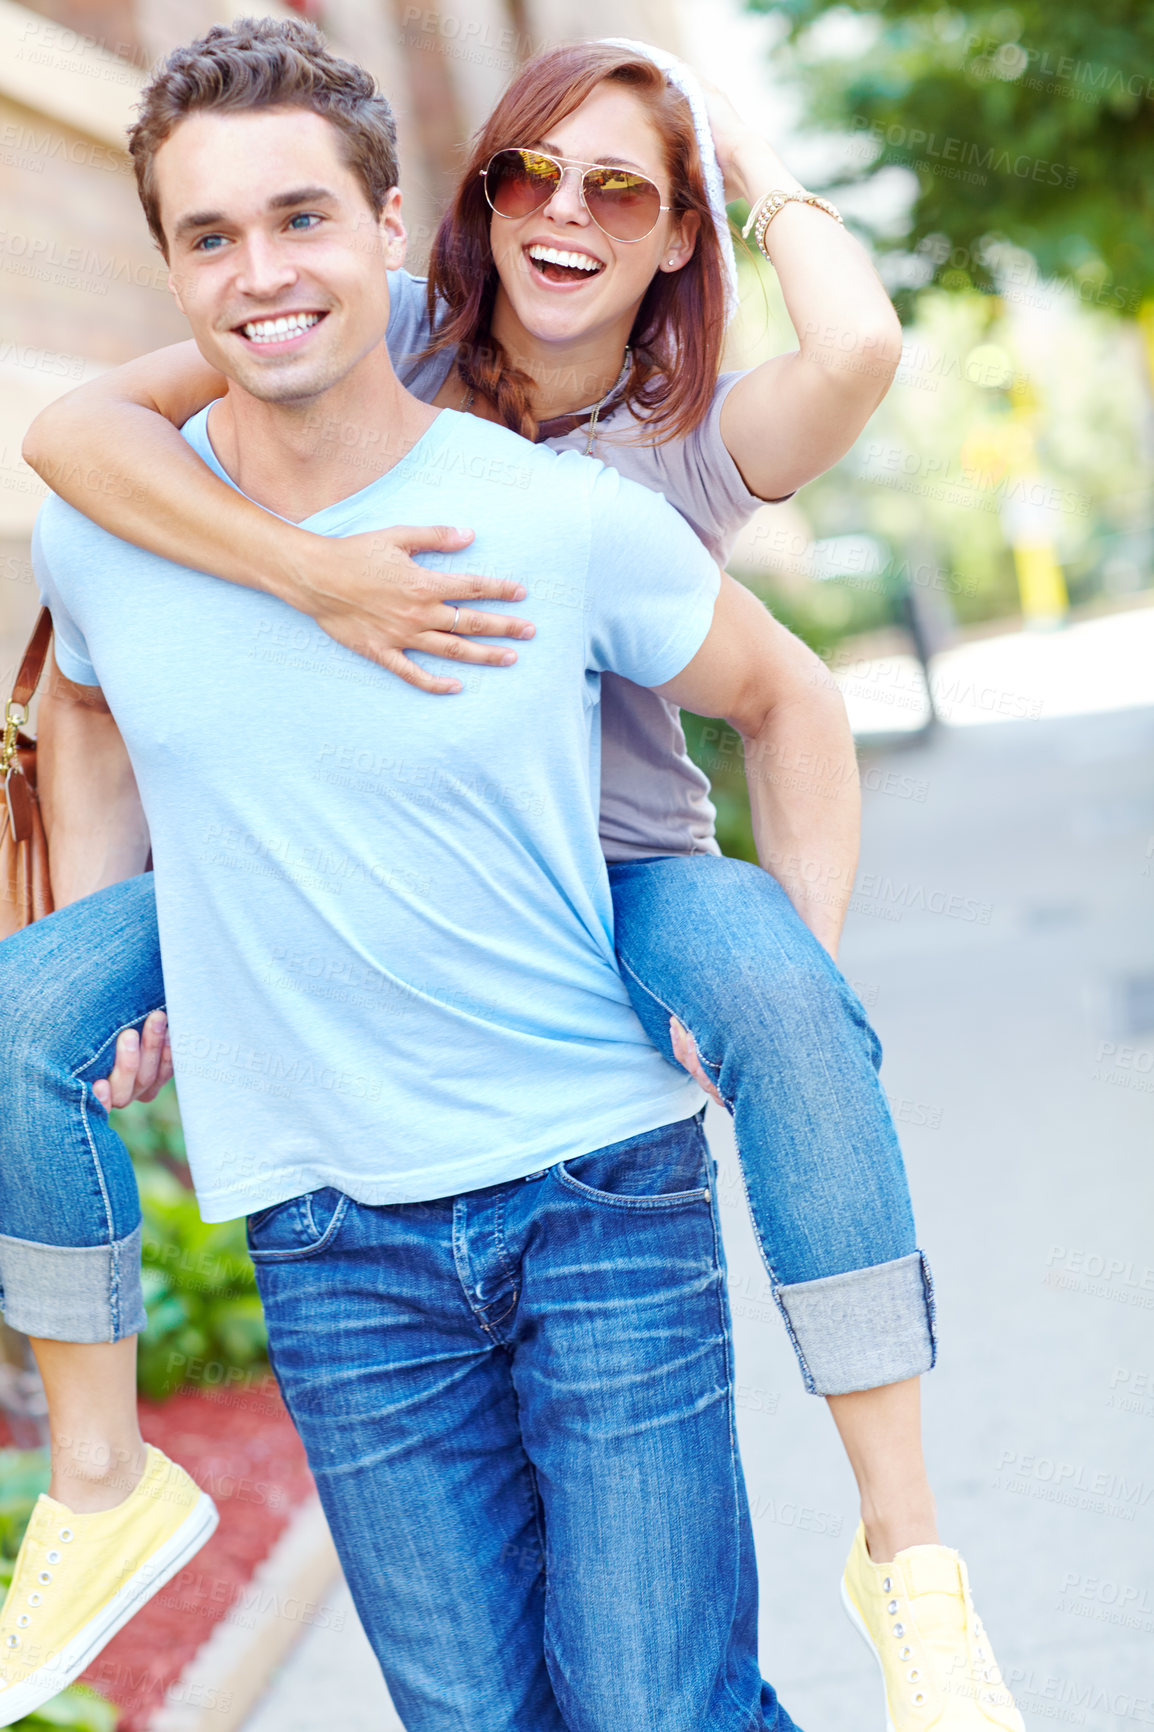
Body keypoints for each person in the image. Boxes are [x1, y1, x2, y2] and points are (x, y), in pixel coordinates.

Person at [3, 20, 1024, 1732]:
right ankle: (101, 1488)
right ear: (467, 213)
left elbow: (834, 460)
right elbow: (90, 609)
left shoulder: (629, 476)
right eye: (532, 174)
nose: (568, 213)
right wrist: (311, 582)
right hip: (332, 1210)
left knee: (655, 1705)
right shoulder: (261, 416)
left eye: (625, 190)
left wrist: (761, 181)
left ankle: (907, 1550)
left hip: (607, 1014)